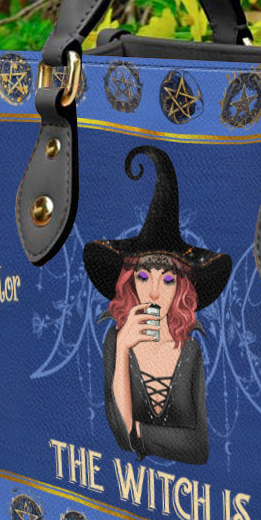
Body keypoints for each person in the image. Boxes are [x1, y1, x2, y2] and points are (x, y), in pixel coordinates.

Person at [83, 146, 232, 465]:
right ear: (129, 282)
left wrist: (138, 431)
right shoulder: (116, 341)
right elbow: (120, 436)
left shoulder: (190, 351)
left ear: (181, 288)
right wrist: (123, 348)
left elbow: (198, 449)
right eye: (142, 276)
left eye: (167, 280)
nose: (153, 292)